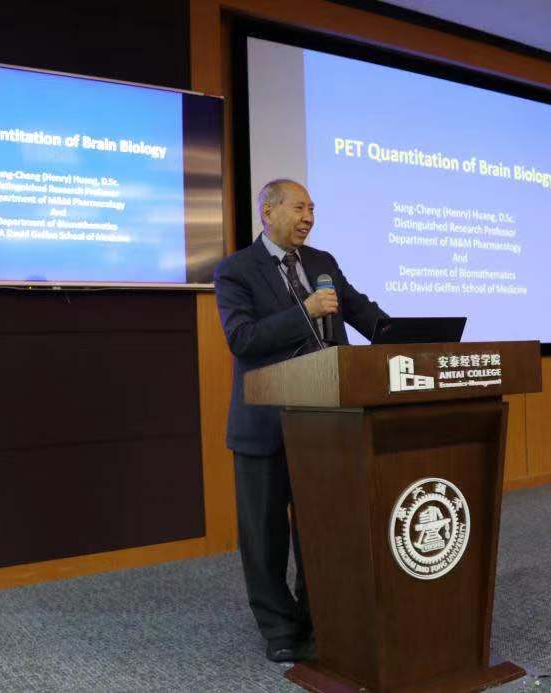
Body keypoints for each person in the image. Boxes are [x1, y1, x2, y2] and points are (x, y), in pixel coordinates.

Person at [214, 179, 387, 663]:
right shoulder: (236, 270)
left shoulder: (321, 263)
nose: (308, 217)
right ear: (268, 212)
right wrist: (304, 311)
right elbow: (243, 339)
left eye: (312, 208)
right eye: (298, 208)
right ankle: (279, 628)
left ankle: (318, 616)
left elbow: (362, 312)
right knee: (264, 536)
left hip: (329, 421)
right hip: (264, 425)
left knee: (321, 528)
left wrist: (406, 337)